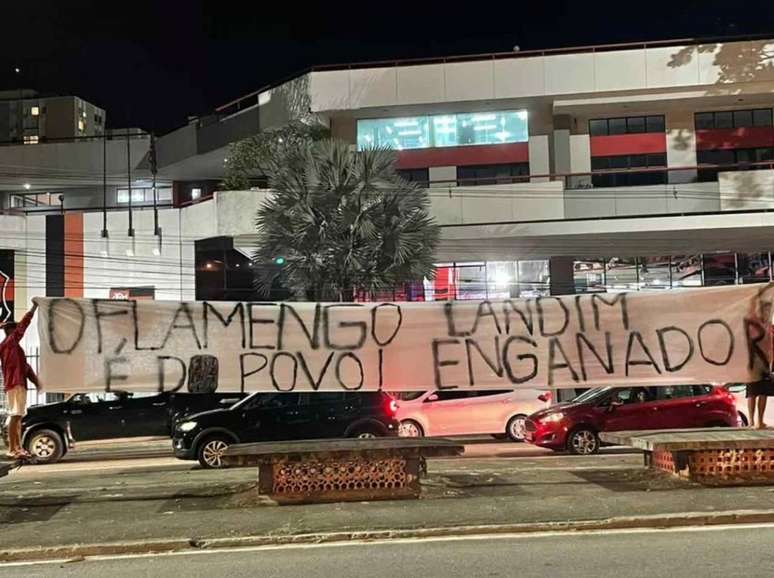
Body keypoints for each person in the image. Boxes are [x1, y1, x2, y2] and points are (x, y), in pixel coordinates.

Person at [1, 302, 41, 459]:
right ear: (9, 331)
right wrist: (33, 308)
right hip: (15, 383)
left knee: (18, 417)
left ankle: (17, 447)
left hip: (19, 383)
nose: (18, 331)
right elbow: (22, 326)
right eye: (14, 329)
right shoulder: (8, 343)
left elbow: (27, 369)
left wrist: (37, 383)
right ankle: (12, 448)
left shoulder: (16, 349)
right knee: (15, 415)